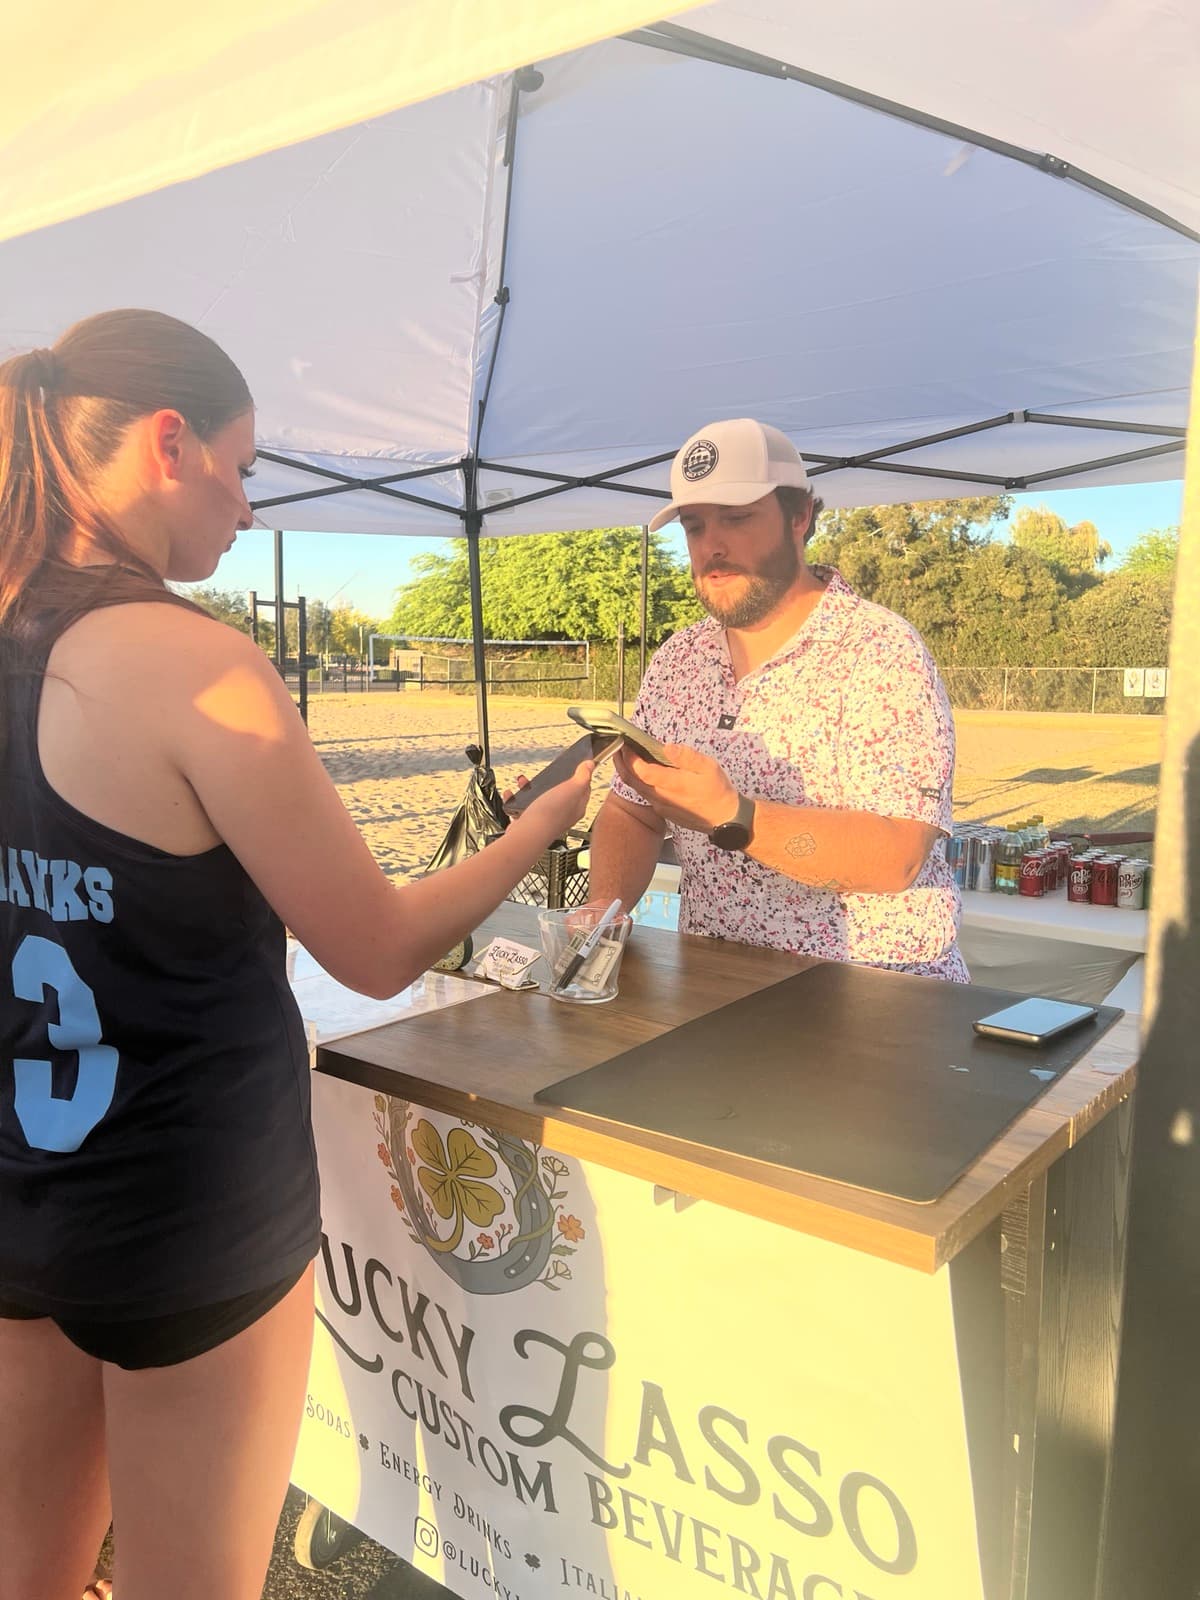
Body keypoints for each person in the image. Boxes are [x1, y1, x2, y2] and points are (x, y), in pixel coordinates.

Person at [0, 309, 594, 1600]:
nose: (248, 506)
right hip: (191, 1221)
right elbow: (374, 947)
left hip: (28, 1201)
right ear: (172, 444)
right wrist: (537, 829)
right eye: (244, 463)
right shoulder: (195, 664)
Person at [587, 417, 967, 982]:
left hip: (877, 993)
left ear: (801, 517)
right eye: (693, 526)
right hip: (716, 987)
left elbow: (899, 854)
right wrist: (605, 911)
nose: (711, 547)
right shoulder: (678, 659)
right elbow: (632, 812)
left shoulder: (879, 651)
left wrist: (733, 814)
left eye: (737, 519)